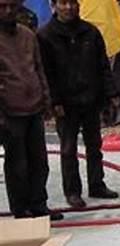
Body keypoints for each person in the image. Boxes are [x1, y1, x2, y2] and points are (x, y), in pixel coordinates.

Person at [37, 0, 120, 209]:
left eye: (72, 2)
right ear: (54, 5)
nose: (69, 7)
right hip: (65, 104)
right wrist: (54, 101)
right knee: (68, 149)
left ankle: (97, 184)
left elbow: (103, 66)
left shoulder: (90, 32)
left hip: (90, 99)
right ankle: (72, 191)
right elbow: (46, 73)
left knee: (94, 145)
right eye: (63, 3)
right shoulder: (45, 36)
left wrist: (111, 93)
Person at [0, 0, 62, 220]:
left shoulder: (27, 35)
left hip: (33, 108)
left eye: (11, 6)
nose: (8, 11)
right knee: (17, 164)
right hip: (9, 111)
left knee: (39, 161)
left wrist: (46, 102)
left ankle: (39, 203)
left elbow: (38, 69)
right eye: (2, 7)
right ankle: (21, 208)